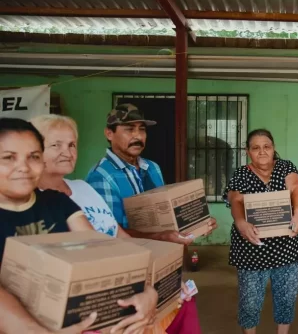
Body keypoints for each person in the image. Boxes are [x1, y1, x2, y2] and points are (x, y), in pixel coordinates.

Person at [32, 114, 198, 334]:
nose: (68, 152)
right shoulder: (35, 200)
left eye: (72, 144)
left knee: (183, 299)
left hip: (122, 275)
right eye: (56, 145)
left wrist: (154, 279)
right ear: (34, 151)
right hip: (94, 292)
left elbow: (120, 237)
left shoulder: (82, 187)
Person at [0, 117, 157, 334]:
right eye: (8, 158)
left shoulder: (57, 201)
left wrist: (148, 291)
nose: (23, 167)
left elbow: (101, 251)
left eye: (33, 157)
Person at [85, 103, 216, 243]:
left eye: (142, 129)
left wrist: (197, 223)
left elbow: (167, 216)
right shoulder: (101, 176)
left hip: (163, 257)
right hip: (129, 260)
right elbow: (108, 233)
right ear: (109, 134)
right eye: (129, 129)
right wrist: (161, 237)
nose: (138, 136)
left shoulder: (152, 167)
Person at [223, 129, 298, 334]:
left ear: (274, 148)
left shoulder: (286, 167)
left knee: (287, 297)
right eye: (255, 148)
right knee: (250, 302)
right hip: (252, 248)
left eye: (266, 146)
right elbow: (236, 199)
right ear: (247, 151)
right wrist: (240, 221)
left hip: (286, 247)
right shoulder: (241, 173)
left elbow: (296, 187)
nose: (262, 152)